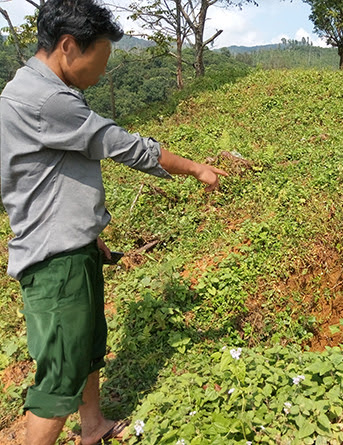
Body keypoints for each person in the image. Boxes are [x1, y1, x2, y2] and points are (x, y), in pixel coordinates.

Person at [0, 1, 227, 443]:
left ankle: (93, 426)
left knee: (85, 349)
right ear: (68, 47)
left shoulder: (28, 89)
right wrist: (197, 168)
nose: (101, 74)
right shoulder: (48, 100)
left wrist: (86, 234)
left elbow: (45, 178)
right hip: (55, 262)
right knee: (60, 376)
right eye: (98, 61)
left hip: (67, 245)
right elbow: (122, 145)